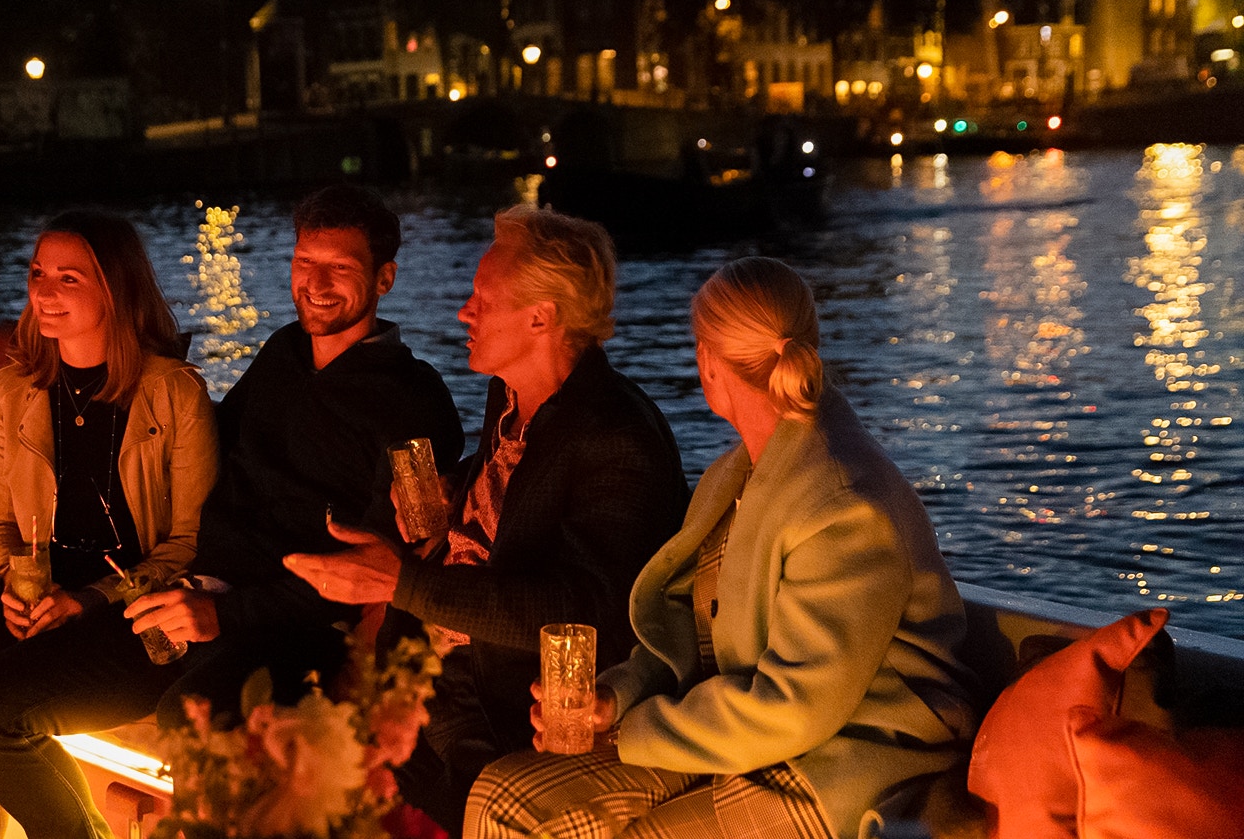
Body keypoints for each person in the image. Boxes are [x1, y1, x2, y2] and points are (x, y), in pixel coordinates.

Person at [464, 256, 978, 839]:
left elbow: (794, 708)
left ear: (708, 361)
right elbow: (685, 623)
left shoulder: (844, 504)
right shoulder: (732, 478)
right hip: (739, 739)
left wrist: (631, 730)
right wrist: (616, 696)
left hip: (847, 760)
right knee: (502, 797)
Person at [285, 205, 689, 834]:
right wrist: (460, 492)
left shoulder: (617, 438)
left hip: (501, 708)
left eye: (481, 298)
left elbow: (587, 610)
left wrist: (400, 583)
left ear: (540, 317)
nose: (463, 313)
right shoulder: (512, 395)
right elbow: (524, 483)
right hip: (431, 670)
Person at [0, 210, 220, 839]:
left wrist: (86, 601)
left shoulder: (176, 393)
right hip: (39, 589)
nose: (44, 291)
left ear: (116, 288)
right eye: (37, 274)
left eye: (69, 278)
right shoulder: (12, 389)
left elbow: (189, 544)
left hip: (135, 607)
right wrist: (10, 584)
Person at [129, 184, 464, 715]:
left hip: (297, 627)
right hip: (198, 592)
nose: (316, 283)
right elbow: (209, 442)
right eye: (305, 261)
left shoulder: (414, 402)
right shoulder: (283, 351)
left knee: (184, 717)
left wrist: (229, 615)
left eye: (341, 267)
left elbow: (373, 568)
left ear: (385, 279)